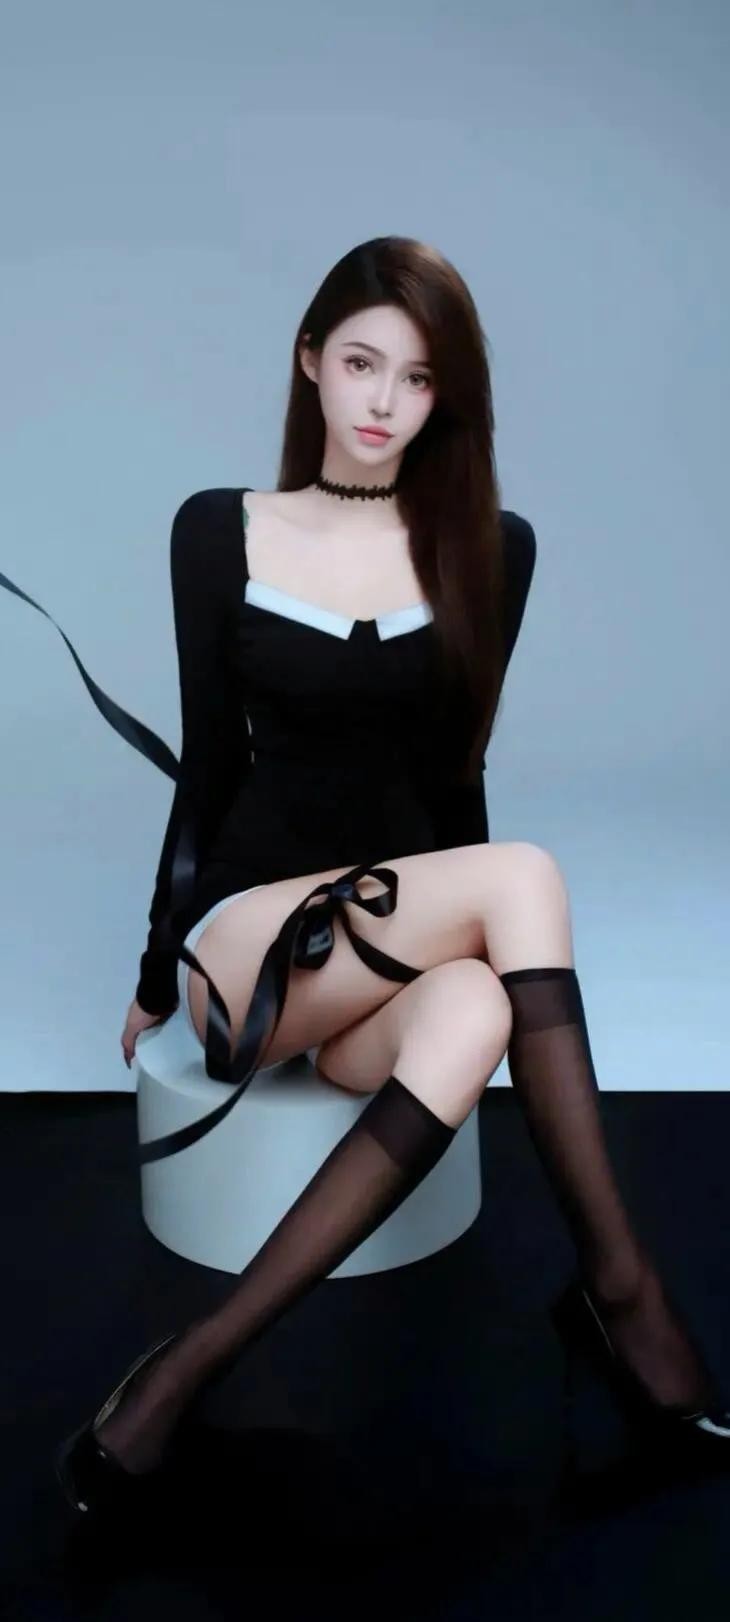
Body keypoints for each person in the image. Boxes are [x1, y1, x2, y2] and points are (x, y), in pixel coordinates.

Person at [44, 235, 729, 1517]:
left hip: (377, 958)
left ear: (442, 400)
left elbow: (456, 783)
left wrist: (483, 934)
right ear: (309, 360)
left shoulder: (490, 548)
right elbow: (208, 766)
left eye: (416, 380)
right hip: (248, 944)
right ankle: (621, 1289)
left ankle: (188, 1365)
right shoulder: (220, 529)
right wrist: (151, 971)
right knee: (520, 875)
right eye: (361, 363)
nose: (382, 402)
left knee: (473, 1003)